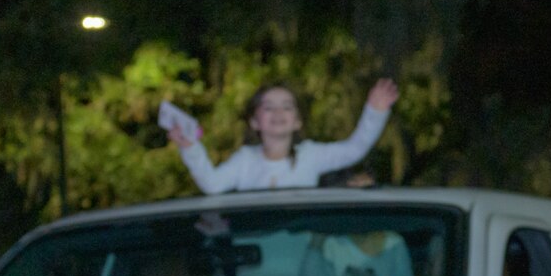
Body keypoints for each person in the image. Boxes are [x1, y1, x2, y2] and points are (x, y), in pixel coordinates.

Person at [170, 80, 399, 194]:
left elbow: (354, 150)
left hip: (301, 257)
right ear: (254, 121)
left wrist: (375, 111)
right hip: (256, 261)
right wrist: (190, 147)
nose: (278, 113)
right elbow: (212, 183)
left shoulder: (310, 155)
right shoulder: (245, 160)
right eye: (269, 107)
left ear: (298, 120)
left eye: (287, 107)